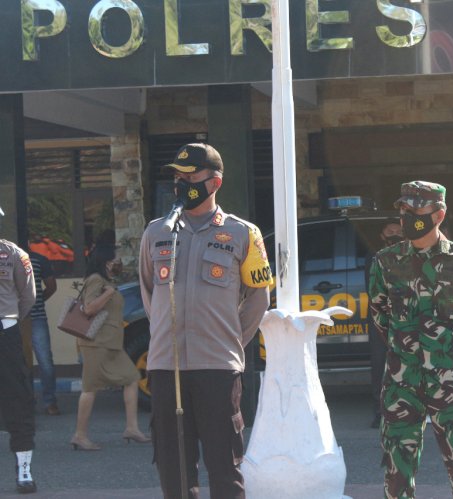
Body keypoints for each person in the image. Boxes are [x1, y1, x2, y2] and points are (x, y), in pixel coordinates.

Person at [139, 143, 272, 499]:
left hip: (217, 366)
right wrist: (167, 333)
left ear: (214, 183)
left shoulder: (244, 233)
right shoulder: (156, 232)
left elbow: (259, 296)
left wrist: (229, 340)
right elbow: (149, 292)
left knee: (224, 466)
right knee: (174, 469)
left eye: (190, 176)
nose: (180, 182)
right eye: (177, 175)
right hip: (167, 366)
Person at [369, 181, 453, 499]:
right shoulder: (385, 261)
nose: (407, 216)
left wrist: (445, 352)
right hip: (401, 381)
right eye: (404, 209)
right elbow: (380, 316)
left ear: (439, 214)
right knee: (396, 477)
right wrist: (408, 349)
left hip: (451, 380)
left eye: (416, 209)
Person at [70, 244, 149, 451]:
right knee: (89, 388)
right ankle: (80, 435)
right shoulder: (96, 280)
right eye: (116, 259)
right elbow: (88, 308)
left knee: (132, 378)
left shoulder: (106, 281)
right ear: (106, 261)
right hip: (96, 343)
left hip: (111, 343)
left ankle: (132, 428)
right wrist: (108, 293)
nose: (118, 263)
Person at [0, 205, 38, 493]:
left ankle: (24, 470)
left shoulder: (14, 254)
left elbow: (28, 297)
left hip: (6, 333)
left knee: (18, 399)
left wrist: (8, 321)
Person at [365, 219, 403, 429]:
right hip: (379, 319)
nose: (395, 235)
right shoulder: (374, 258)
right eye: (390, 231)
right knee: (380, 366)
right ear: (382, 235)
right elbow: (374, 292)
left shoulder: (410, 256)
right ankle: (380, 413)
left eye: (399, 231)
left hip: (406, 319)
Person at [28, 250, 59, 416]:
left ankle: (50, 401)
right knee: (15, 363)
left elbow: (52, 286)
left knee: (45, 361)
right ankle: (28, 400)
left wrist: (37, 301)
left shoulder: (40, 260)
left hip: (35, 318)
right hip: (12, 319)